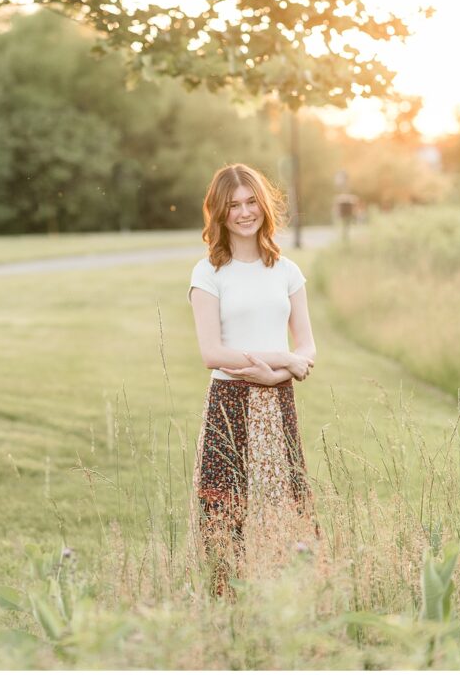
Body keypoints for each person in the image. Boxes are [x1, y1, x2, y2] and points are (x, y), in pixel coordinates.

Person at [187, 162, 318, 595]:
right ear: (219, 213)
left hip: (278, 401)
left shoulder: (286, 271)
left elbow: (308, 348)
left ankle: (288, 596)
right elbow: (212, 353)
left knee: (284, 504)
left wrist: (277, 372)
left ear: (263, 205)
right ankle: (227, 603)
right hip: (229, 401)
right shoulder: (208, 272)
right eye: (233, 206)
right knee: (226, 512)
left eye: (250, 202)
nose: (244, 213)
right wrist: (280, 361)